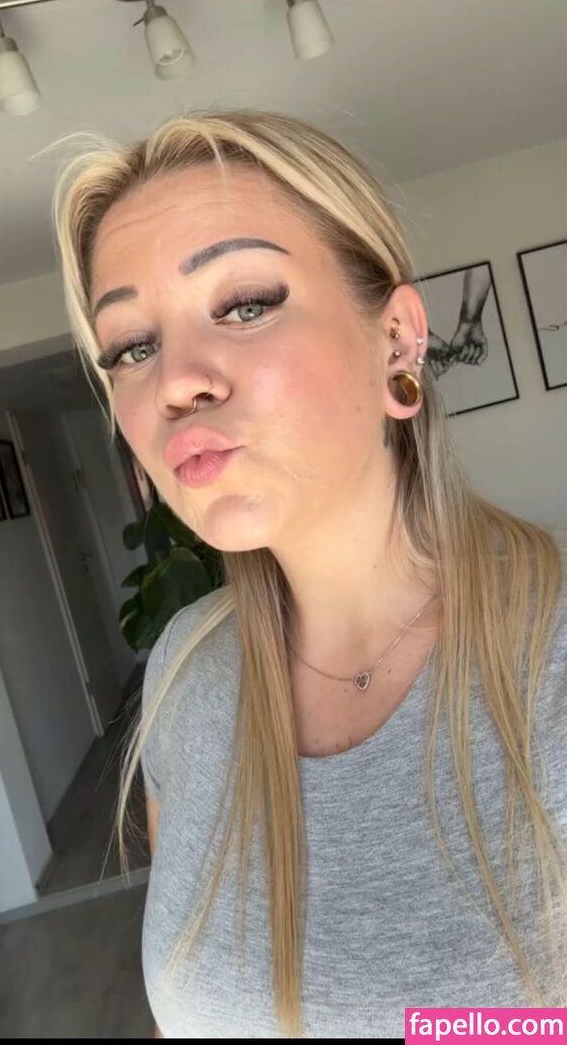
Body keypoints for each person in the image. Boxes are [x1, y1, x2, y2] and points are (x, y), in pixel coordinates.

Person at [52, 109, 567, 1040]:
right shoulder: (185, 671)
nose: (174, 383)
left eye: (246, 304)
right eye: (131, 347)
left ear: (396, 340)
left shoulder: (550, 655)